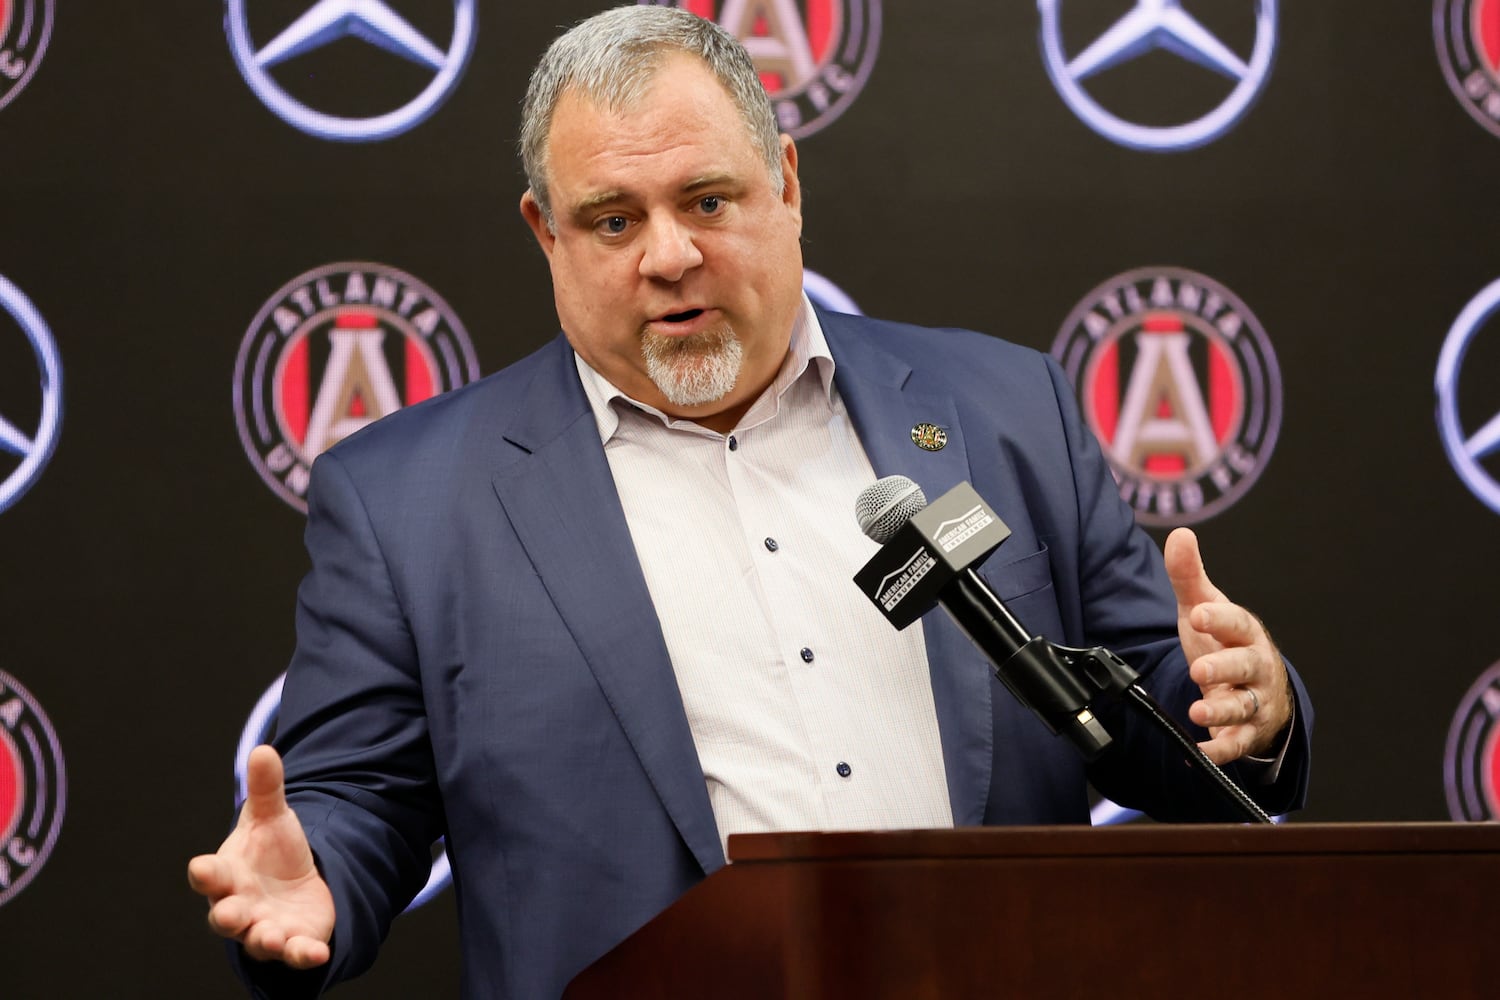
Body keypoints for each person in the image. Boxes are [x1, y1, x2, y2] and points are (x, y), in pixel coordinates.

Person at [188, 6, 1311, 998]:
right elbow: (358, 801)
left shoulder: (1005, 406)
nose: (670, 255)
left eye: (707, 199)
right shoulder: (405, 500)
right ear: (546, 231)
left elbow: (1145, 711)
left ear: (787, 183)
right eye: (614, 220)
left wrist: (1240, 708)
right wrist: (317, 877)